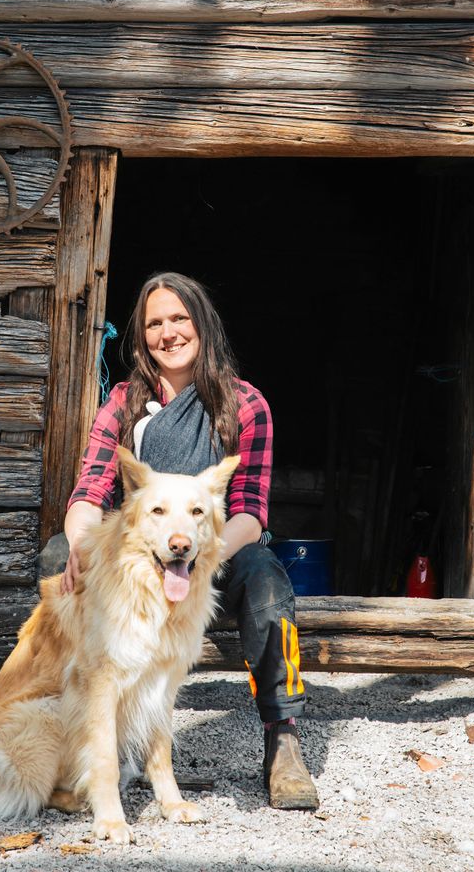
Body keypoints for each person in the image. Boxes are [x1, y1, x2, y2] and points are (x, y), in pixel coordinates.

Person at [39, 272, 319, 810]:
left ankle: (283, 738)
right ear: (142, 336)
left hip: (216, 545)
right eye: (154, 323)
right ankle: (73, 716)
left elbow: (251, 513)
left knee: (268, 582)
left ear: (202, 325)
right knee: (57, 556)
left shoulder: (246, 404)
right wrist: (81, 545)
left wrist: (201, 554)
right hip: (140, 549)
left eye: (179, 319)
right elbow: (90, 490)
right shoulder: (123, 403)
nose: (168, 332)